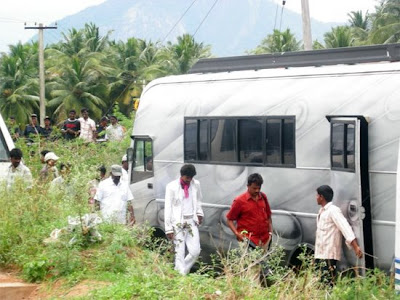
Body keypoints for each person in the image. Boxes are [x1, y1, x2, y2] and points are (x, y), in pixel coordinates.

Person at [314, 185, 363, 285]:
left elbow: (345, 228)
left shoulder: (333, 211)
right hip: (320, 253)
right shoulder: (322, 211)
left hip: (329, 254)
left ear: (321, 197)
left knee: (327, 282)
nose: (316, 197)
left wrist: (355, 247)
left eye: (317, 195)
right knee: (320, 282)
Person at [164, 164, 204, 275]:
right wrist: (169, 229)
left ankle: (180, 272)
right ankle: (180, 278)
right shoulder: (171, 187)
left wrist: (199, 213)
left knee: (195, 251)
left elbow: (199, 200)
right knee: (179, 253)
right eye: (187, 178)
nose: (189, 180)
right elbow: (168, 208)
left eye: (191, 178)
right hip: (178, 223)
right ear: (182, 176)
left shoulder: (196, 184)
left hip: (192, 221)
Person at [226, 173, 273, 250]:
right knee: (250, 261)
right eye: (254, 188)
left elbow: (268, 216)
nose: (257, 190)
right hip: (248, 241)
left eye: (259, 188)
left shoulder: (263, 197)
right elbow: (229, 220)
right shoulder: (239, 201)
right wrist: (237, 234)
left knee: (264, 261)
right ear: (248, 186)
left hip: (265, 240)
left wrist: (270, 233)